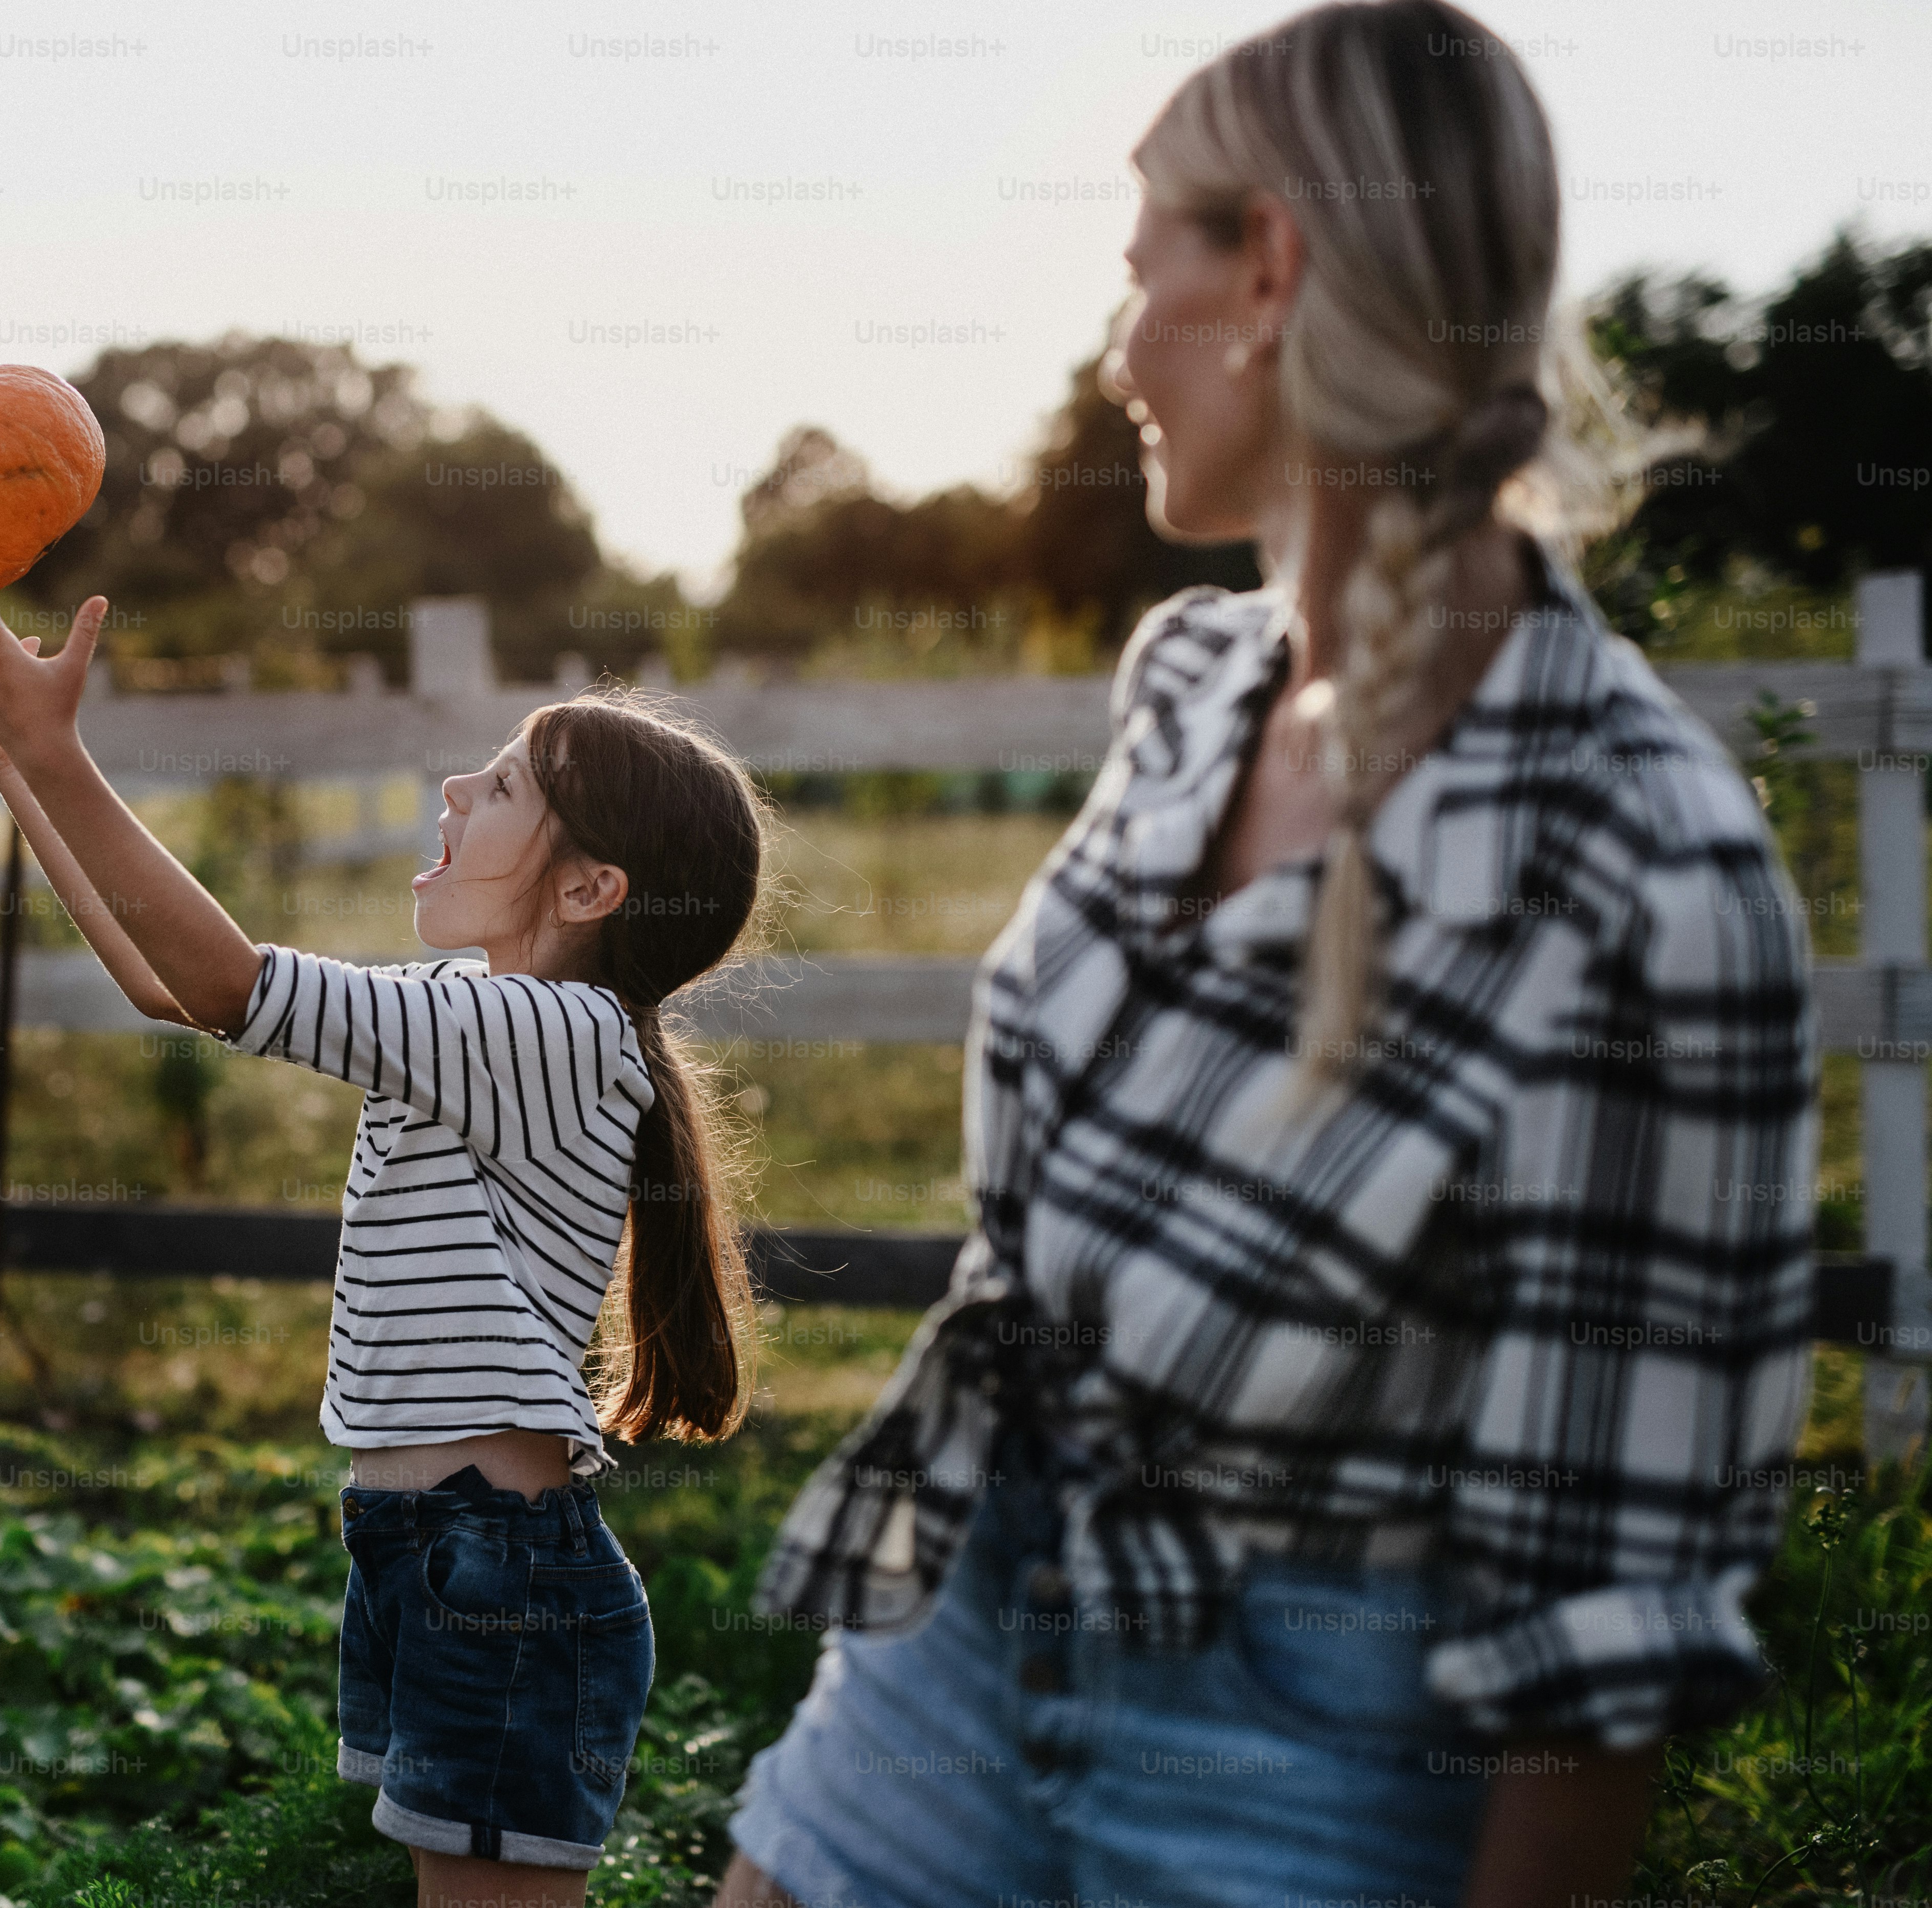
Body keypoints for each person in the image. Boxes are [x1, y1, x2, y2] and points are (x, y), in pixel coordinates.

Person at [714, 4, 1818, 1905]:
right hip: (969, 1627)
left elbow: (1599, 1654)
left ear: (1271, 269)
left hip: (1305, 1744)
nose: (1119, 340)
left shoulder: (1645, 866)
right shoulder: (1197, 686)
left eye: (1144, 260)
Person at [0, 557, 769, 1908]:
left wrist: (59, 750)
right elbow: (176, 989)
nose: (456, 790)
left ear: (590, 891)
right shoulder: (486, 1018)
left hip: (493, 1565)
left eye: (506, 787)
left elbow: (226, 978)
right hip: (433, 1548)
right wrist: (19, 766)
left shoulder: (544, 1031)